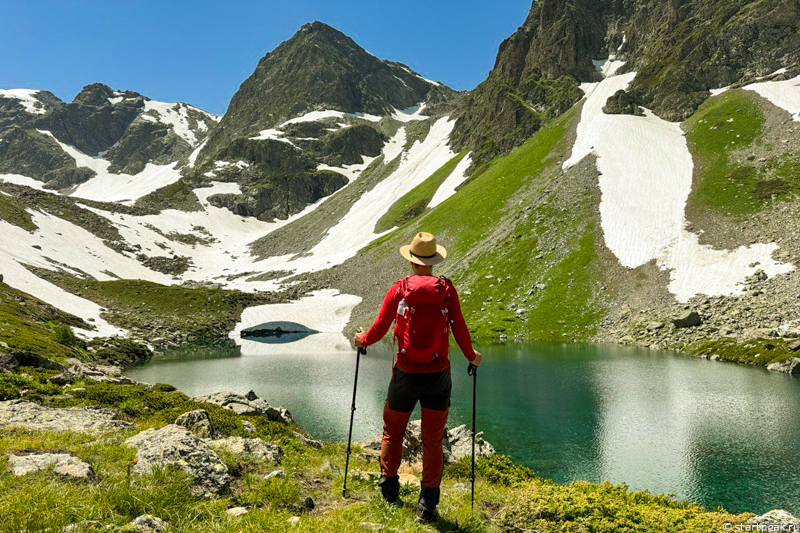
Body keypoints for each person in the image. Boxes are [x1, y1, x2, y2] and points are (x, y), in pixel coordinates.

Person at [354, 231, 482, 522]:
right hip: (438, 376)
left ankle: (388, 491)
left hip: (405, 374)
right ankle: (427, 506)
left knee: (393, 432)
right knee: (432, 441)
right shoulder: (446, 290)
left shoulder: (399, 288)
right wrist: (472, 356)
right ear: (433, 261)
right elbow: (460, 329)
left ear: (412, 261)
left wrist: (363, 340)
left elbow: (379, 328)